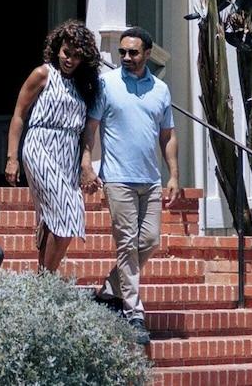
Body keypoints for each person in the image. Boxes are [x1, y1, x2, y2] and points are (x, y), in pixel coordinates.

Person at [82, 26, 180, 338]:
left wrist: (174, 175)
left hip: (150, 180)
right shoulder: (106, 84)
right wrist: (86, 163)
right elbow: (91, 127)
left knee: (148, 241)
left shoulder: (160, 91)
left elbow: (168, 136)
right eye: (122, 51)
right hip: (118, 179)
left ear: (147, 54)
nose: (126, 57)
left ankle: (109, 290)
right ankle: (134, 313)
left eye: (133, 52)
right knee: (126, 244)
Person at [5, 19, 103, 274]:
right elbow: (18, 114)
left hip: (68, 151)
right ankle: (45, 280)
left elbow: (87, 131)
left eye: (76, 56)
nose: (69, 60)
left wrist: (85, 164)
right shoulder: (43, 74)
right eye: (66, 53)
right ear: (57, 48)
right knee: (65, 211)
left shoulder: (85, 85)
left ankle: (44, 277)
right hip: (41, 146)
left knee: (68, 216)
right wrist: (11, 158)